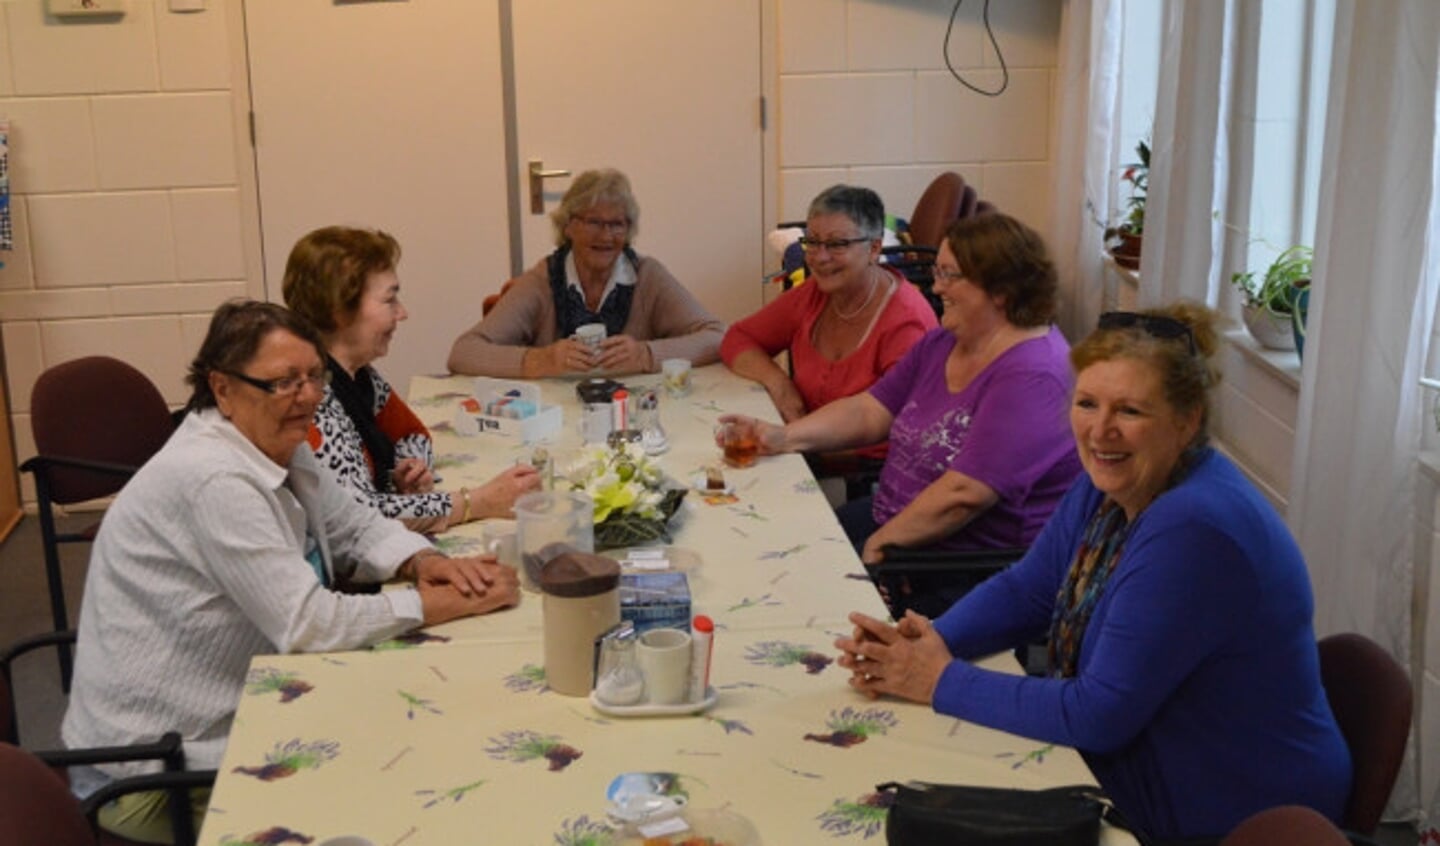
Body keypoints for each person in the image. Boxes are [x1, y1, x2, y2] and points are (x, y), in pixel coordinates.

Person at [835, 304, 1352, 844]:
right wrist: (929, 641)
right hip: (1155, 756)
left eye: (1130, 410)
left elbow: (1098, 714)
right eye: (1087, 403)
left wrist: (936, 678)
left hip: (1230, 803)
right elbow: (1030, 589)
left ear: (1187, 419)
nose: (1101, 430)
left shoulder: (1194, 527)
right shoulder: (1115, 483)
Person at [61, 300, 521, 844]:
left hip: (238, 710)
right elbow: (309, 625)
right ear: (223, 388)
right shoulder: (214, 479)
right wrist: (441, 602)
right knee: (397, 782)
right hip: (153, 774)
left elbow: (356, 525)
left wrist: (428, 561)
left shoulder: (270, 440)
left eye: (313, 377)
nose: (305, 397)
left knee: (417, 733)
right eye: (282, 381)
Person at [720, 213, 1081, 576]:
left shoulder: (1035, 376)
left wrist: (879, 547)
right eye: (937, 273)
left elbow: (964, 496)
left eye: (949, 276)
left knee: (796, 582)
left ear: (1001, 290)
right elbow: (869, 409)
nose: (936, 288)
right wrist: (781, 437)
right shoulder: (946, 340)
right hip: (893, 519)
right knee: (769, 552)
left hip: (956, 563)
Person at [282, 226, 540, 532]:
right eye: (389, 300)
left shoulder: (358, 375)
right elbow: (361, 517)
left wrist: (409, 469)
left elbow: (411, 433)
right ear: (340, 311)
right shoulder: (313, 402)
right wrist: (477, 501)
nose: (402, 313)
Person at [447, 168, 725, 378]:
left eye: (617, 224)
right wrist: (542, 360)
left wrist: (646, 355)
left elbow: (717, 336)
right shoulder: (542, 280)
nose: (606, 235)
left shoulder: (647, 276)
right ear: (568, 226)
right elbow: (463, 352)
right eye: (593, 222)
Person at [720, 185, 937, 425]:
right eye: (812, 242)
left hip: (869, 461)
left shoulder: (907, 322)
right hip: (805, 448)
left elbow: (905, 429)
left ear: (874, 249)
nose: (820, 257)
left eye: (837, 244)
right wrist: (779, 383)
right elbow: (738, 338)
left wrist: (796, 440)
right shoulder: (814, 293)